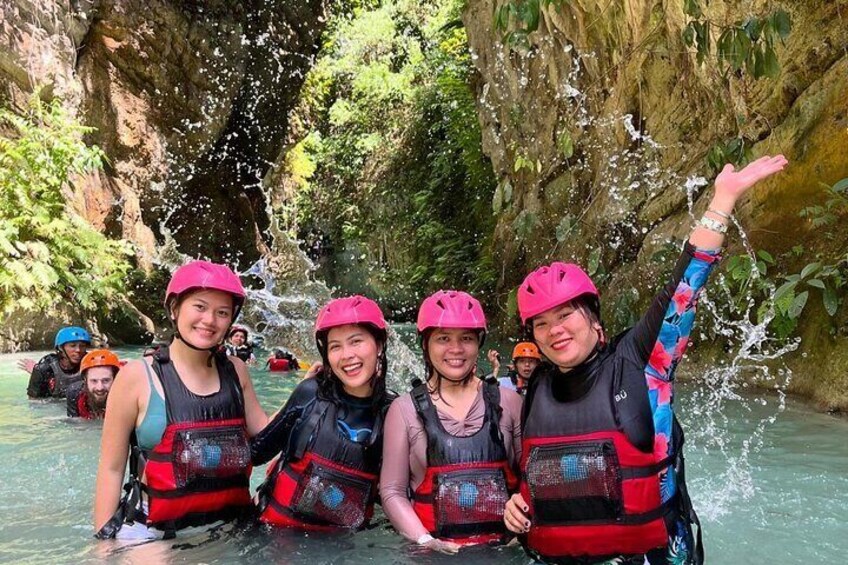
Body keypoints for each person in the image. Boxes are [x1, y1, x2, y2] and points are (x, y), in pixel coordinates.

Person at [503, 155, 788, 564]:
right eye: (542, 324)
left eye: (566, 315)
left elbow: (682, 290)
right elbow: (542, 481)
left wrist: (722, 201)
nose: (556, 331)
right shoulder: (536, 389)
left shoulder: (642, 362)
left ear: (594, 320)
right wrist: (517, 505)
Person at [93, 260, 269, 540]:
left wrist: (308, 395)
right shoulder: (136, 376)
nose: (209, 320)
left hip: (228, 523)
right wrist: (102, 546)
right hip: (153, 528)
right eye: (199, 307)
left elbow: (267, 433)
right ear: (175, 309)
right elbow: (111, 468)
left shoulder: (236, 370)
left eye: (222, 312)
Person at [380, 290, 523, 554]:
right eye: (443, 338)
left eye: (466, 339)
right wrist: (425, 541)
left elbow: (529, 478)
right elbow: (392, 491)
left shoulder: (511, 402)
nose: (456, 349)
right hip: (432, 553)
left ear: (478, 343)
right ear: (426, 344)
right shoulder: (403, 410)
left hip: (505, 551)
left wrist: (524, 521)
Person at [251, 295, 395, 530]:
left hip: (340, 547)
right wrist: (291, 402)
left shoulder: (394, 413)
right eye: (335, 346)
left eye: (356, 341)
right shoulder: (310, 394)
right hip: (272, 534)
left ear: (379, 345)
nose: (347, 355)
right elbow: (257, 454)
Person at [26, 326, 91, 399]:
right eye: (72, 346)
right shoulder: (44, 369)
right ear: (60, 348)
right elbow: (34, 403)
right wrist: (38, 376)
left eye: (82, 346)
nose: (78, 350)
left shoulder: (91, 365)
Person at [67, 349, 121, 419]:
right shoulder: (74, 394)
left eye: (106, 380)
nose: (100, 388)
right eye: (94, 381)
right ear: (85, 380)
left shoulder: (128, 396)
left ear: (115, 379)